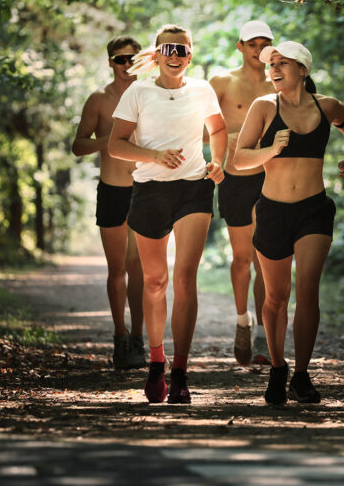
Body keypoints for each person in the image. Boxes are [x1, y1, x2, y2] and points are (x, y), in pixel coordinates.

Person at [233, 41, 344, 405]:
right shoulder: (263, 107)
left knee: (307, 291)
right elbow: (239, 159)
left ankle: (302, 375)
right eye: (270, 64)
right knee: (275, 297)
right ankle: (277, 369)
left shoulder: (329, 106)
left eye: (281, 63)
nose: (273, 69)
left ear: (302, 69)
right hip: (273, 211)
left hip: (314, 210)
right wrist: (270, 149)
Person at [108, 24, 227, 404]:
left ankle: (180, 372)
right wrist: (155, 156)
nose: (175, 55)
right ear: (157, 55)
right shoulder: (138, 92)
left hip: (193, 188)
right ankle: (156, 363)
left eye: (182, 49)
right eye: (168, 49)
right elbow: (115, 146)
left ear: (191, 55)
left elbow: (219, 128)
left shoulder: (202, 89)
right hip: (150, 191)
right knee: (156, 282)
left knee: (185, 279)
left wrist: (219, 161)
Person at [72, 36, 146, 371]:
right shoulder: (99, 100)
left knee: (140, 269)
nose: (127, 64)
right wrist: (112, 137)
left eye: (133, 58)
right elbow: (78, 145)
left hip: (145, 189)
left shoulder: (151, 95)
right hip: (113, 190)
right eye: (120, 59)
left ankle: (140, 338)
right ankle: (120, 336)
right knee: (117, 268)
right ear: (110, 62)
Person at [209, 20, 276, 366]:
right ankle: (242, 322)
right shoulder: (223, 82)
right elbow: (199, 122)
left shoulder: (280, 82)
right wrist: (215, 157)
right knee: (242, 259)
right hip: (234, 178)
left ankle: (265, 333)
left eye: (265, 43)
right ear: (240, 46)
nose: (258, 48)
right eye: (252, 43)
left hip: (270, 179)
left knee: (266, 258)